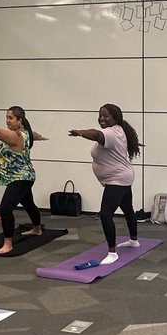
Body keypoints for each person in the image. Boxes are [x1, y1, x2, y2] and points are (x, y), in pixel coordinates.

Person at [68, 104, 142, 264]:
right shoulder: (116, 130)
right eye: (100, 115)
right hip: (122, 176)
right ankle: (134, 240)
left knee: (106, 214)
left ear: (115, 118)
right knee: (127, 208)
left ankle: (112, 252)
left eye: (106, 116)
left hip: (117, 179)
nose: (102, 118)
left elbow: (95, 134)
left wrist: (80, 132)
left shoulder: (111, 133)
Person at [0, 106, 48, 256]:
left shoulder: (16, 136)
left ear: (20, 121)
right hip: (24, 176)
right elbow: (34, 135)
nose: (7, 120)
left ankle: (8, 243)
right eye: (6, 117)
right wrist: (41, 137)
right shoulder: (25, 133)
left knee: (5, 208)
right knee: (28, 203)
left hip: (21, 177)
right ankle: (37, 229)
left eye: (11, 118)